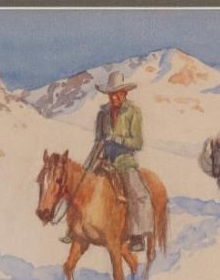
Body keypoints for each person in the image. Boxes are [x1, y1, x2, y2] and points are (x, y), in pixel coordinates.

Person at [61, 71, 153, 252]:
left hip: (125, 162)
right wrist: (89, 163)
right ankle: (73, 228)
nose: (114, 97)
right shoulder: (102, 114)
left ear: (124, 93)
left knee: (139, 194)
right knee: (78, 186)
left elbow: (138, 143)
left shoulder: (133, 112)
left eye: (117, 94)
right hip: (104, 160)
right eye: (111, 94)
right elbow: (98, 140)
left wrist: (117, 139)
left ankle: (137, 235)